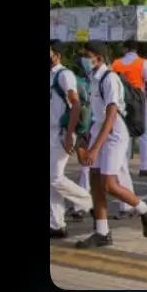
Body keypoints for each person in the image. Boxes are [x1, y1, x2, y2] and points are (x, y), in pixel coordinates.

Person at [76, 41, 147, 249]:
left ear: (100, 58)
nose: (84, 59)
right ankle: (102, 232)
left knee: (109, 184)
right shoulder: (92, 78)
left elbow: (112, 115)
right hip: (100, 129)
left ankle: (144, 209)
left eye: (88, 55)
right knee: (95, 181)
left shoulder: (109, 78)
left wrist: (95, 147)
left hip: (114, 133)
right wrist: (86, 137)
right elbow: (96, 113)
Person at [50, 40, 94, 238]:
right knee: (51, 178)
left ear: (57, 55)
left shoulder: (63, 74)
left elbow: (75, 104)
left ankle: (88, 202)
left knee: (56, 178)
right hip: (51, 131)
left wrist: (69, 136)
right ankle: (56, 224)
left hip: (61, 132)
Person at [111, 40, 147, 177]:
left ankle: (122, 164)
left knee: (125, 133)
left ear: (125, 49)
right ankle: (145, 166)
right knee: (143, 134)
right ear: (136, 49)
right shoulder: (143, 63)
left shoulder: (116, 63)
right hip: (140, 101)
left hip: (122, 101)